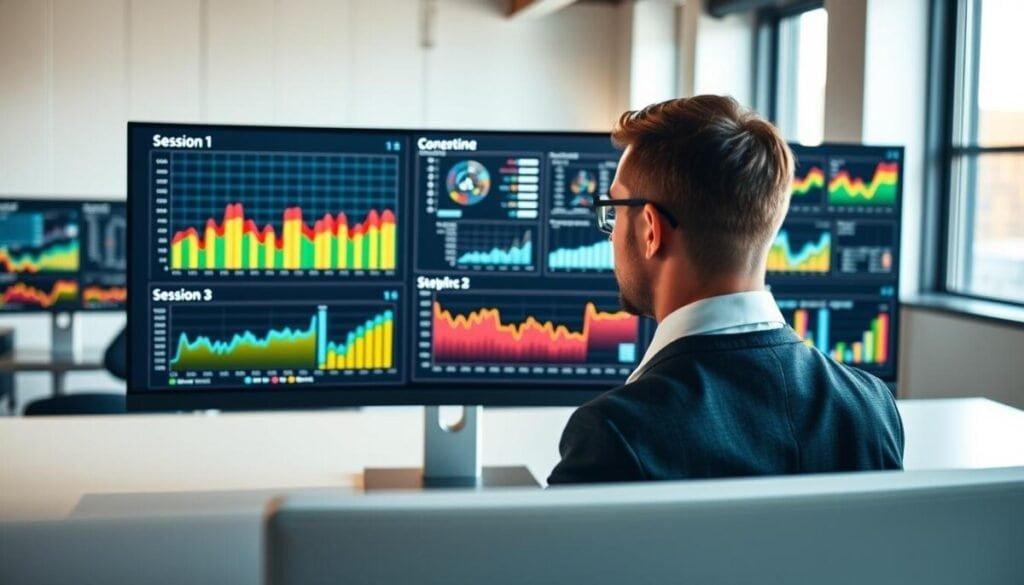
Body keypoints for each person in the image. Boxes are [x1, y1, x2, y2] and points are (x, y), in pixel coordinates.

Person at [547, 95, 904, 484]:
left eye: (614, 210)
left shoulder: (617, 434)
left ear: (651, 230)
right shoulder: (870, 407)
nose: (611, 232)